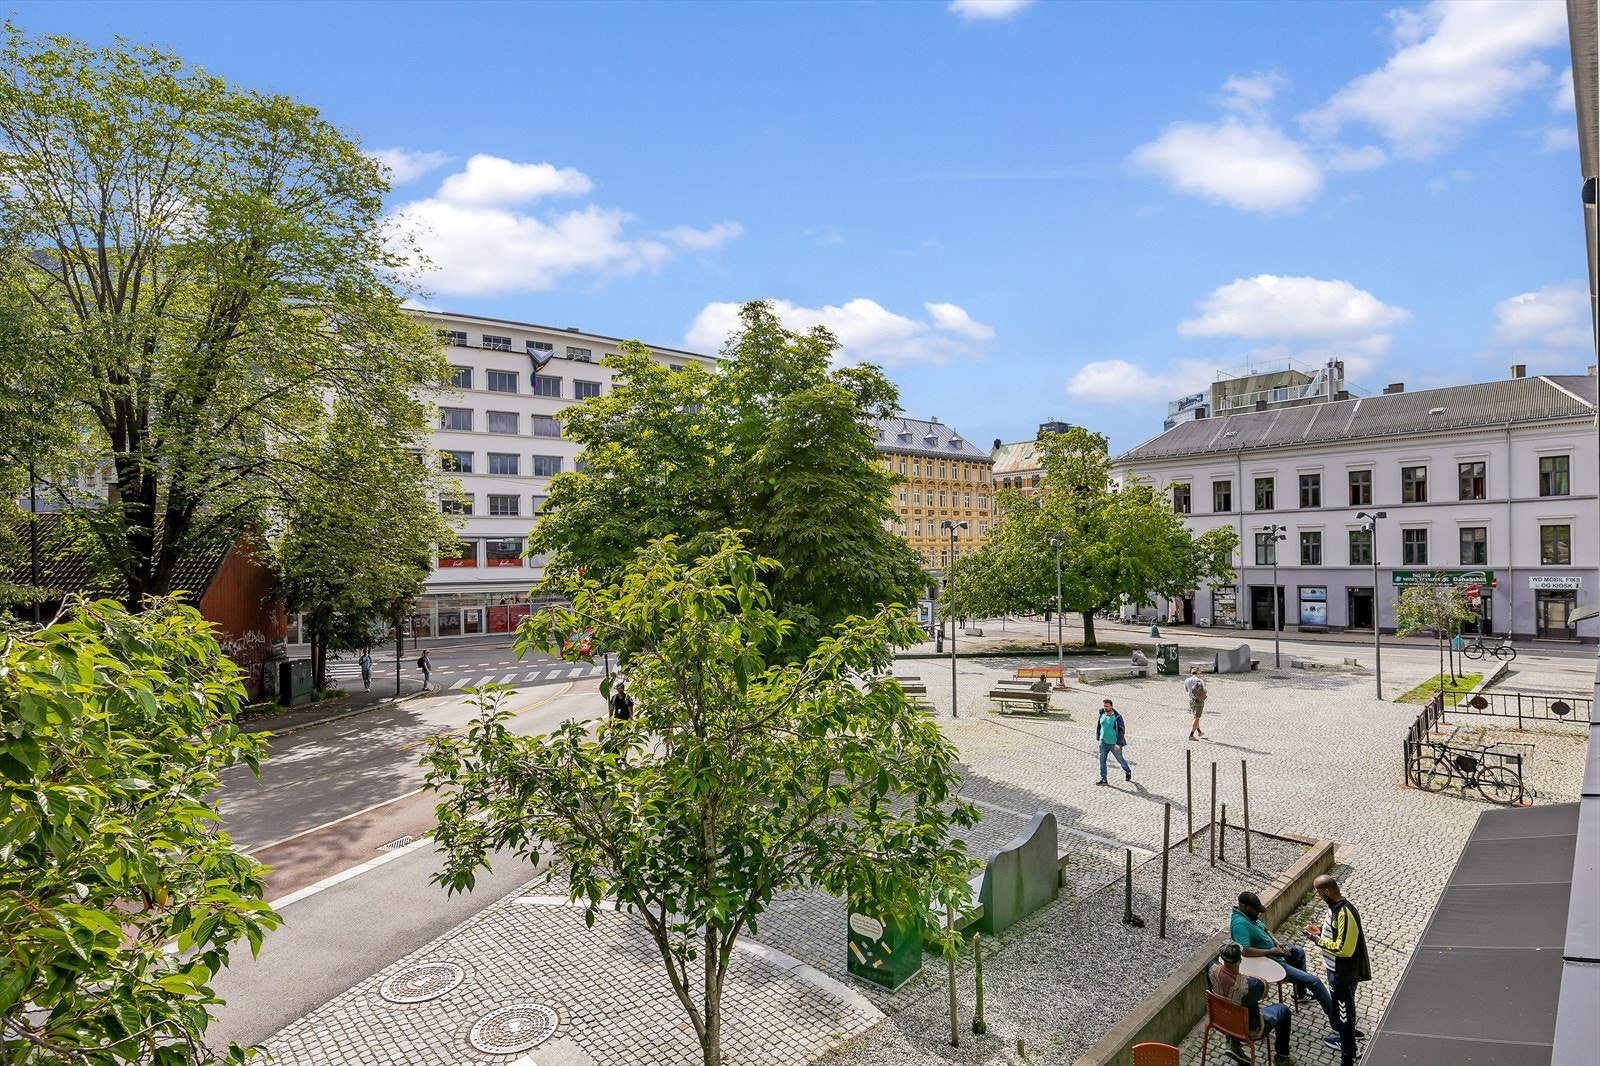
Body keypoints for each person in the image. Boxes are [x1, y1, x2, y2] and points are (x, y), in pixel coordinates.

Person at [1231, 890, 1336, 1033]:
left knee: (1298, 952)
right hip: (1268, 962)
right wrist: (1270, 951)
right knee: (1314, 981)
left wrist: (1277, 943)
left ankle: (1299, 994)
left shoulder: (1251, 915)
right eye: (1255, 910)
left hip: (1274, 952)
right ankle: (1337, 1024)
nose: (1258, 913)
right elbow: (1245, 951)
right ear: (1243, 905)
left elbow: (1266, 930)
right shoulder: (1240, 924)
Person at [1305, 875, 1371, 1065]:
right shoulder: (1334, 909)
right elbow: (1334, 933)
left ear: (1326, 891)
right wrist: (1319, 930)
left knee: (1344, 1014)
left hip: (1343, 973)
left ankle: (1348, 1055)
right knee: (1343, 1009)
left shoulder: (1344, 913)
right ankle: (1345, 1038)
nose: (1317, 895)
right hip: (1334, 970)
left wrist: (1317, 941)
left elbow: (1344, 949)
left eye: (1318, 892)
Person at [1208, 941, 1295, 1066]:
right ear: (1240, 960)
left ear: (1222, 959)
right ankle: (1282, 1056)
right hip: (1250, 1030)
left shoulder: (1211, 968)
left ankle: (1233, 1042)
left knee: (1232, 1004)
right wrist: (1243, 976)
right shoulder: (1251, 986)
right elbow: (1263, 987)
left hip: (1221, 1020)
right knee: (1283, 1010)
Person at [1095, 699, 1131, 785]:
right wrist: (1099, 737)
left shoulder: (1117, 718)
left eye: (1107, 706)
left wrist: (1118, 743)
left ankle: (1128, 771)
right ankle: (1104, 779)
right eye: (1104, 706)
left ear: (1111, 706)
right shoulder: (1102, 714)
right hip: (1103, 743)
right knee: (1102, 760)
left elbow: (1121, 731)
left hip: (1114, 744)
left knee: (1120, 760)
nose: (1105, 708)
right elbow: (1099, 726)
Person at [1184, 665, 1208, 740]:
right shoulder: (1200, 680)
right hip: (1198, 701)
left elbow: (1186, 690)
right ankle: (1191, 735)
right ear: (1198, 673)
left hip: (1190, 700)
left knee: (1195, 716)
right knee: (1197, 718)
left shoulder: (1187, 680)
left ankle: (1199, 732)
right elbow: (1204, 690)